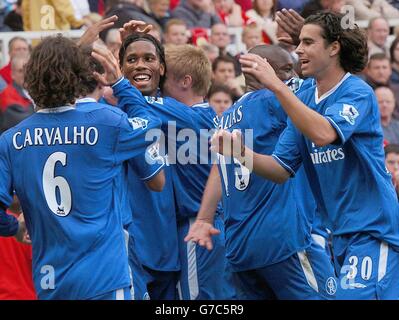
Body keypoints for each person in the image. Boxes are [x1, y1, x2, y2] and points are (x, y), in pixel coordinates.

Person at [212, 11, 399, 299]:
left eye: (307, 42)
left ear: (333, 48)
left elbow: (323, 134)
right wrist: (241, 152)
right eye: (299, 42)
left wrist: (275, 84)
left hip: (374, 231)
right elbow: (279, 168)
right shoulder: (305, 98)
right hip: (340, 234)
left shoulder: (356, 91)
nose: (298, 50)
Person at [0, 35, 164, 300]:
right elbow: (150, 124)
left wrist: (14, 228)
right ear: (78, 78)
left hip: (51, 281)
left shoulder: (10, 140)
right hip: (105, 277)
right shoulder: (106, 123)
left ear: (30, 80)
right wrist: (121, 83)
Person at [186, 44, 336, 300]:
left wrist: (204, 218)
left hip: (241, 246)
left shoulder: (226, 117)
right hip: (281, 239)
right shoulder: (273, 99)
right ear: (261, 69)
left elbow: (218, 169)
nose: (293, 76)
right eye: (287, 70)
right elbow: (328, 84)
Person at [115, 30, 234, 299]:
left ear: (183, 81)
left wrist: (120, 69)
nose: (159, 85)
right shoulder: (197, 117)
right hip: (191, 229)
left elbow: (132, 97)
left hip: (199, 227)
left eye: (163, 77)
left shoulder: (184, 115)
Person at [117, 31, 181, 300]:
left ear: (162, 67)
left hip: (170, 245)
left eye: (148, 58)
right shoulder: (108, 116)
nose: (140, 65)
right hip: (127, 246)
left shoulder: (181, 114)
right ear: (120, 69)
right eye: (131, 59)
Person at [0, 54, 34, 133]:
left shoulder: (33, 92)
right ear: (12, 74)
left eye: (28, 70)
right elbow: (27, 125)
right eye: (20, 71)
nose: (25, 74)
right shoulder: (8, 96)